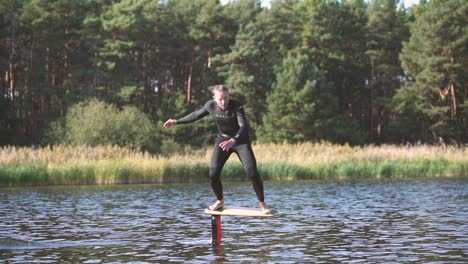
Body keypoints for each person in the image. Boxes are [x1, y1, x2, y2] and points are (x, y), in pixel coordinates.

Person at [164, 85, 270, 213]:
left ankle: (262, 204)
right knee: (213, 173)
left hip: (240, 141)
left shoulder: (237, 105)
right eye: (220, 99)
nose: (223, 102)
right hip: (222, 141)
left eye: (226, 98)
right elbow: (196, 115)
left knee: (252, 173)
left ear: (229, 96)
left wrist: (233, 140)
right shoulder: (211, 106)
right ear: (214, 98)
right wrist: (176, 121)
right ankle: (220, 201)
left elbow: (243, 127)